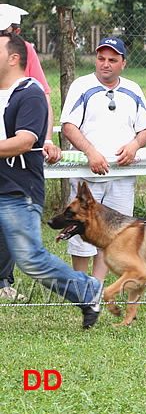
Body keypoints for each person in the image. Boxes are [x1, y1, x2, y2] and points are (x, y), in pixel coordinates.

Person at [0, 32, 101, 328]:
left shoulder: (29, 93)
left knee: (30, 259)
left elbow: (24, 141)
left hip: (16, 190)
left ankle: (86, 289)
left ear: (13, 58)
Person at [60, 37, 146, 283]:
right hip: (87, 176)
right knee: (81, 229)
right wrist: (91, 152)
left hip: (121, 175)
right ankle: (79, 284)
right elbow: (68, 126)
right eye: (101, 58)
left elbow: (145, 130)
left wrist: (134, 145)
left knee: (113, 233)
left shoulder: (133, 90)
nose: (106, 64)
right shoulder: (81, 86)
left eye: (113, 60)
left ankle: (96, 286)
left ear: (123, 63)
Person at [0, 4, 63, 300]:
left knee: (28, 254)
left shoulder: (23, 58)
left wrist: (47, 137)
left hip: (17, 167)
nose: (16, 35)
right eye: (11, 31)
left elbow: (41, 96)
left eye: (13, 32)